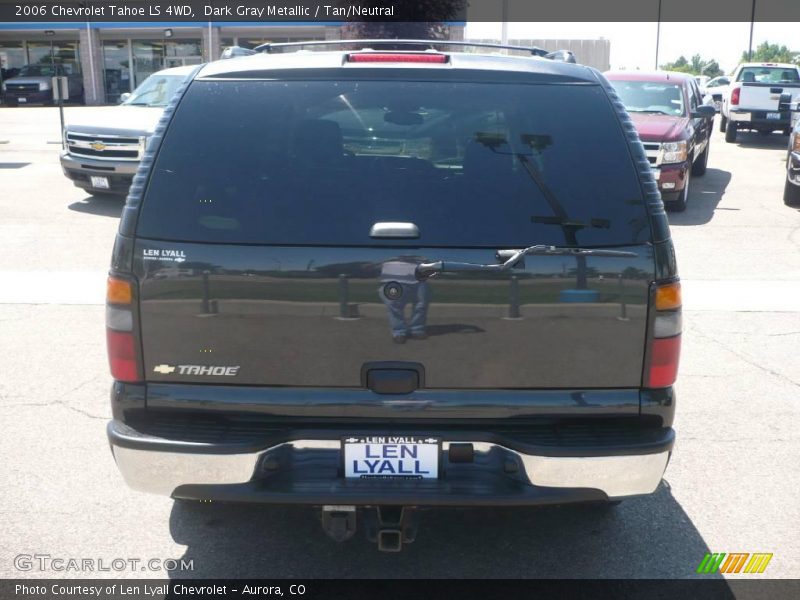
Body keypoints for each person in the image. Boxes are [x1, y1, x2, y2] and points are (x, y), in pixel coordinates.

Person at [378, 257, 430, 344]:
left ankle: (417, 330)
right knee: (394, 306)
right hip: (393, 275)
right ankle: (399, 332)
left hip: (419, 275)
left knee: (421, 305)